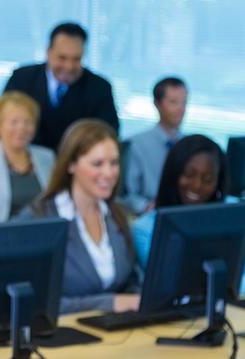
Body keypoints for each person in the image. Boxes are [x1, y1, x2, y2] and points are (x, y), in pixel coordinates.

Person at [16, 119, 139, 314]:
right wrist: (109, 303)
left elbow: (130, 281)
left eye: (114, 163)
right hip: (63, 338)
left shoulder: (118, 214)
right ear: (71, 165)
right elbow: (33, 303)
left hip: (116, 335)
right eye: (97, 164)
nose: (108, 173)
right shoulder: (38, 219)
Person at [0, 22, 119, 152]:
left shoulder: (99, 88)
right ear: (48, 52)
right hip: (24, 167)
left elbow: (107, 137)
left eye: (76, 59)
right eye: (62, 58)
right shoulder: (22, 79)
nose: (69, 67)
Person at [132, 134, 233, 269]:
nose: (197, 185)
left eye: (208, 179)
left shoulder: (230, 222)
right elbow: (164, 279)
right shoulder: (145, 229)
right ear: (173, 173)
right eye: (189, 174)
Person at [0, 91, 55, 222]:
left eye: (28, 122)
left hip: (44, 234)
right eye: (14, 122)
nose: (21, 128)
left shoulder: (47, 157)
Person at [123, 77, 188, 215]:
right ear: (157, 104)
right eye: (173, 102)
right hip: (150, 214)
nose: (181, 109)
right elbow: (127, 195)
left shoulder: (190, 145)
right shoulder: (137, 144)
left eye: (184, 102)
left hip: (184, 213)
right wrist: (146, 207)